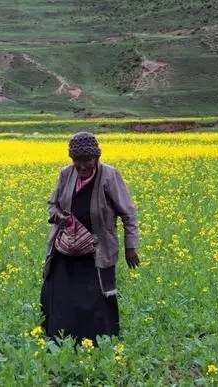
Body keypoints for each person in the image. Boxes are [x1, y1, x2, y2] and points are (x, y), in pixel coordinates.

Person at [40, 131, 140, 347]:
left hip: (97, 248)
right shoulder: (66, 174)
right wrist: (59, 216)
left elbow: (128, 213)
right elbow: (52, 204)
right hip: (66, 246)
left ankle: (99, 342)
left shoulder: (110, 176)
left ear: (97, 157)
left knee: (95, 297)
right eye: (78, 161)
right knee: (60, 292)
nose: (83, 166)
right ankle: (61, 340)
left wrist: (130, 247)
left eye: (88, 160)